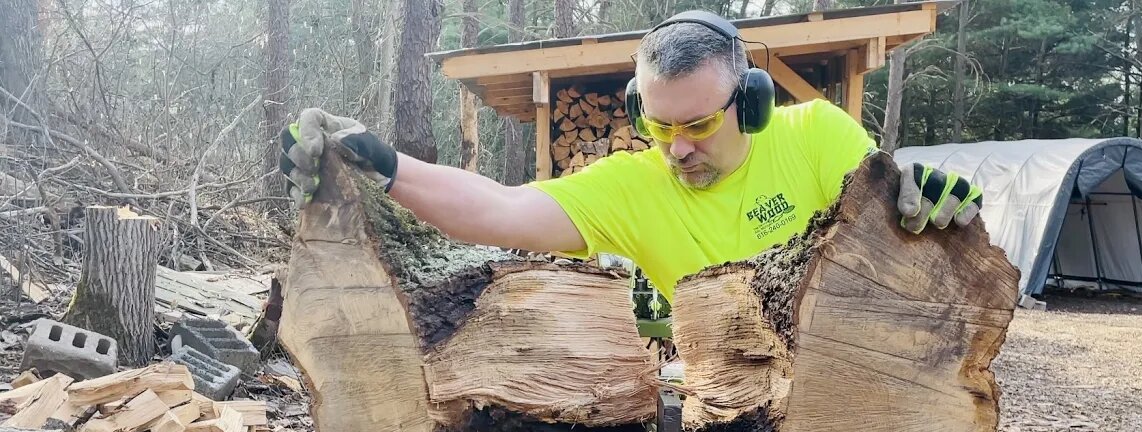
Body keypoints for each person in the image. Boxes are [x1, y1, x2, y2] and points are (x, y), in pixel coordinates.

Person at [278, 11, 983, 300]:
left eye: (702, 124)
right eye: (658, 126)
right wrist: (384, 163)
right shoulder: (630, 186)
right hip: (738, 418)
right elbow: (498, 207)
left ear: (753, 101)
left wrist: (924, 201)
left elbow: (890, 216)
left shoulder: (818, 134)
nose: (677, 148)